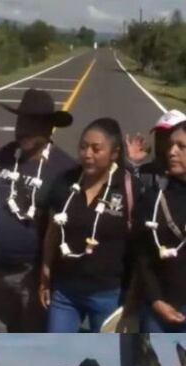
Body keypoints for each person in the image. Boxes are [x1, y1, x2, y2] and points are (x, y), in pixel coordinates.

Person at [40, 118, 140, 332]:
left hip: (109, 294)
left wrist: (132, 296)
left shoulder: (130, 188)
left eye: (96, 149)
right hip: (65, 292)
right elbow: (53, 232)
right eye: (83, 147)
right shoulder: (66, 181)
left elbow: (140, 248)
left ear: (114, 153)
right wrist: (45, 273)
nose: (87, 154)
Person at [0, 89, 77, 332]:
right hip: (0, 266)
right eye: (21, 122)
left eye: (32, 124)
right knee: (2, 327)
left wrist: (47, 275)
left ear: (48, 128)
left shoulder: (64, 169)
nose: (23, 129)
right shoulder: (6, 155)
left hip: (33, 273)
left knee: (31, 329)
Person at [136, 118, 186, 332]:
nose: (172, 152)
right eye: (170, 145)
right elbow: (143, 253)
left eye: (181, 146)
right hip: (159, 308)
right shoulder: (155, 198)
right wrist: (155, 299)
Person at [127, 109, 186, 195]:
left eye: (167, 136)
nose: (172, 151)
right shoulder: (147, 174)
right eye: (159, 137)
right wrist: (132, 162)